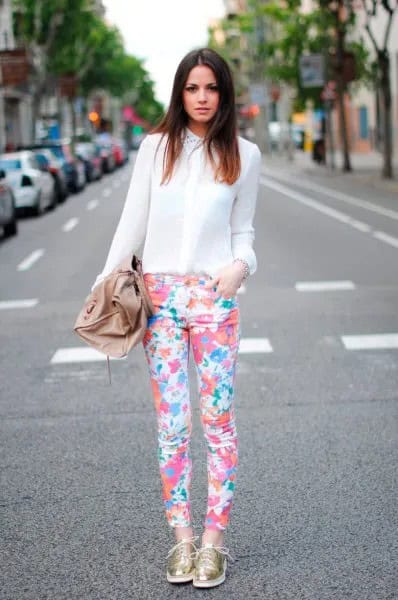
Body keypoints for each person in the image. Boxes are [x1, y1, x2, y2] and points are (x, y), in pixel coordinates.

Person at [92, 48, 261, 588]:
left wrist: (241, 267)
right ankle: (181, 541)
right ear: (180, 93)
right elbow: (131, 225)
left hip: (215, 298)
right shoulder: (154, 148)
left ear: (224, 92)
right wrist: (103, 286)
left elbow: (245, 233)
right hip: (160, 301)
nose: (202, 98)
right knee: (172, 426)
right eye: (192, 88)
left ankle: (214, 543)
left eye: (211, 88)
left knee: (218, 423)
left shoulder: (245, 154)